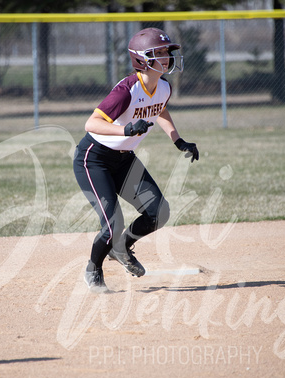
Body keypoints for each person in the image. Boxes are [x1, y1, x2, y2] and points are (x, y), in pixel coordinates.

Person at [73, 27, 199, 293]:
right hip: (93, 160)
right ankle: (93, 268)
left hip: (123, 160)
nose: (166, 57)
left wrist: (177, 139)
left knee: (158, 212)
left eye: (167, 52)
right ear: (142, 58)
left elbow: (159, 109)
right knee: (112, 224)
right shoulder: (127, 90)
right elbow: (91, 123)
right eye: (159, 52)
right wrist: (125, 130)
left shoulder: (163, 87)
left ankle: (122, 248)